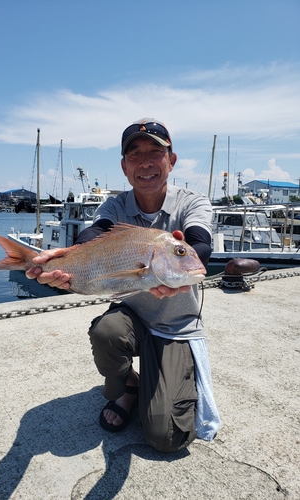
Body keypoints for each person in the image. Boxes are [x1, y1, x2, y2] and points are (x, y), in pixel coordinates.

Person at [26, 118, 220, 452]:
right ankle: (130, 386)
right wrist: (63, 259)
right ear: (124, 167)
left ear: (171, 160)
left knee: (166, 437)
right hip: (131, 314)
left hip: (176, 324)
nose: (145, 161)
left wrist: (181, 254)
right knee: (106, 332)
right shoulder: (115, 206)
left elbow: (199, 243)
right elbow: (94, 234)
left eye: (155, 152)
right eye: (135, 154)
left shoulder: (192, 202)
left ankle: (158, 379)